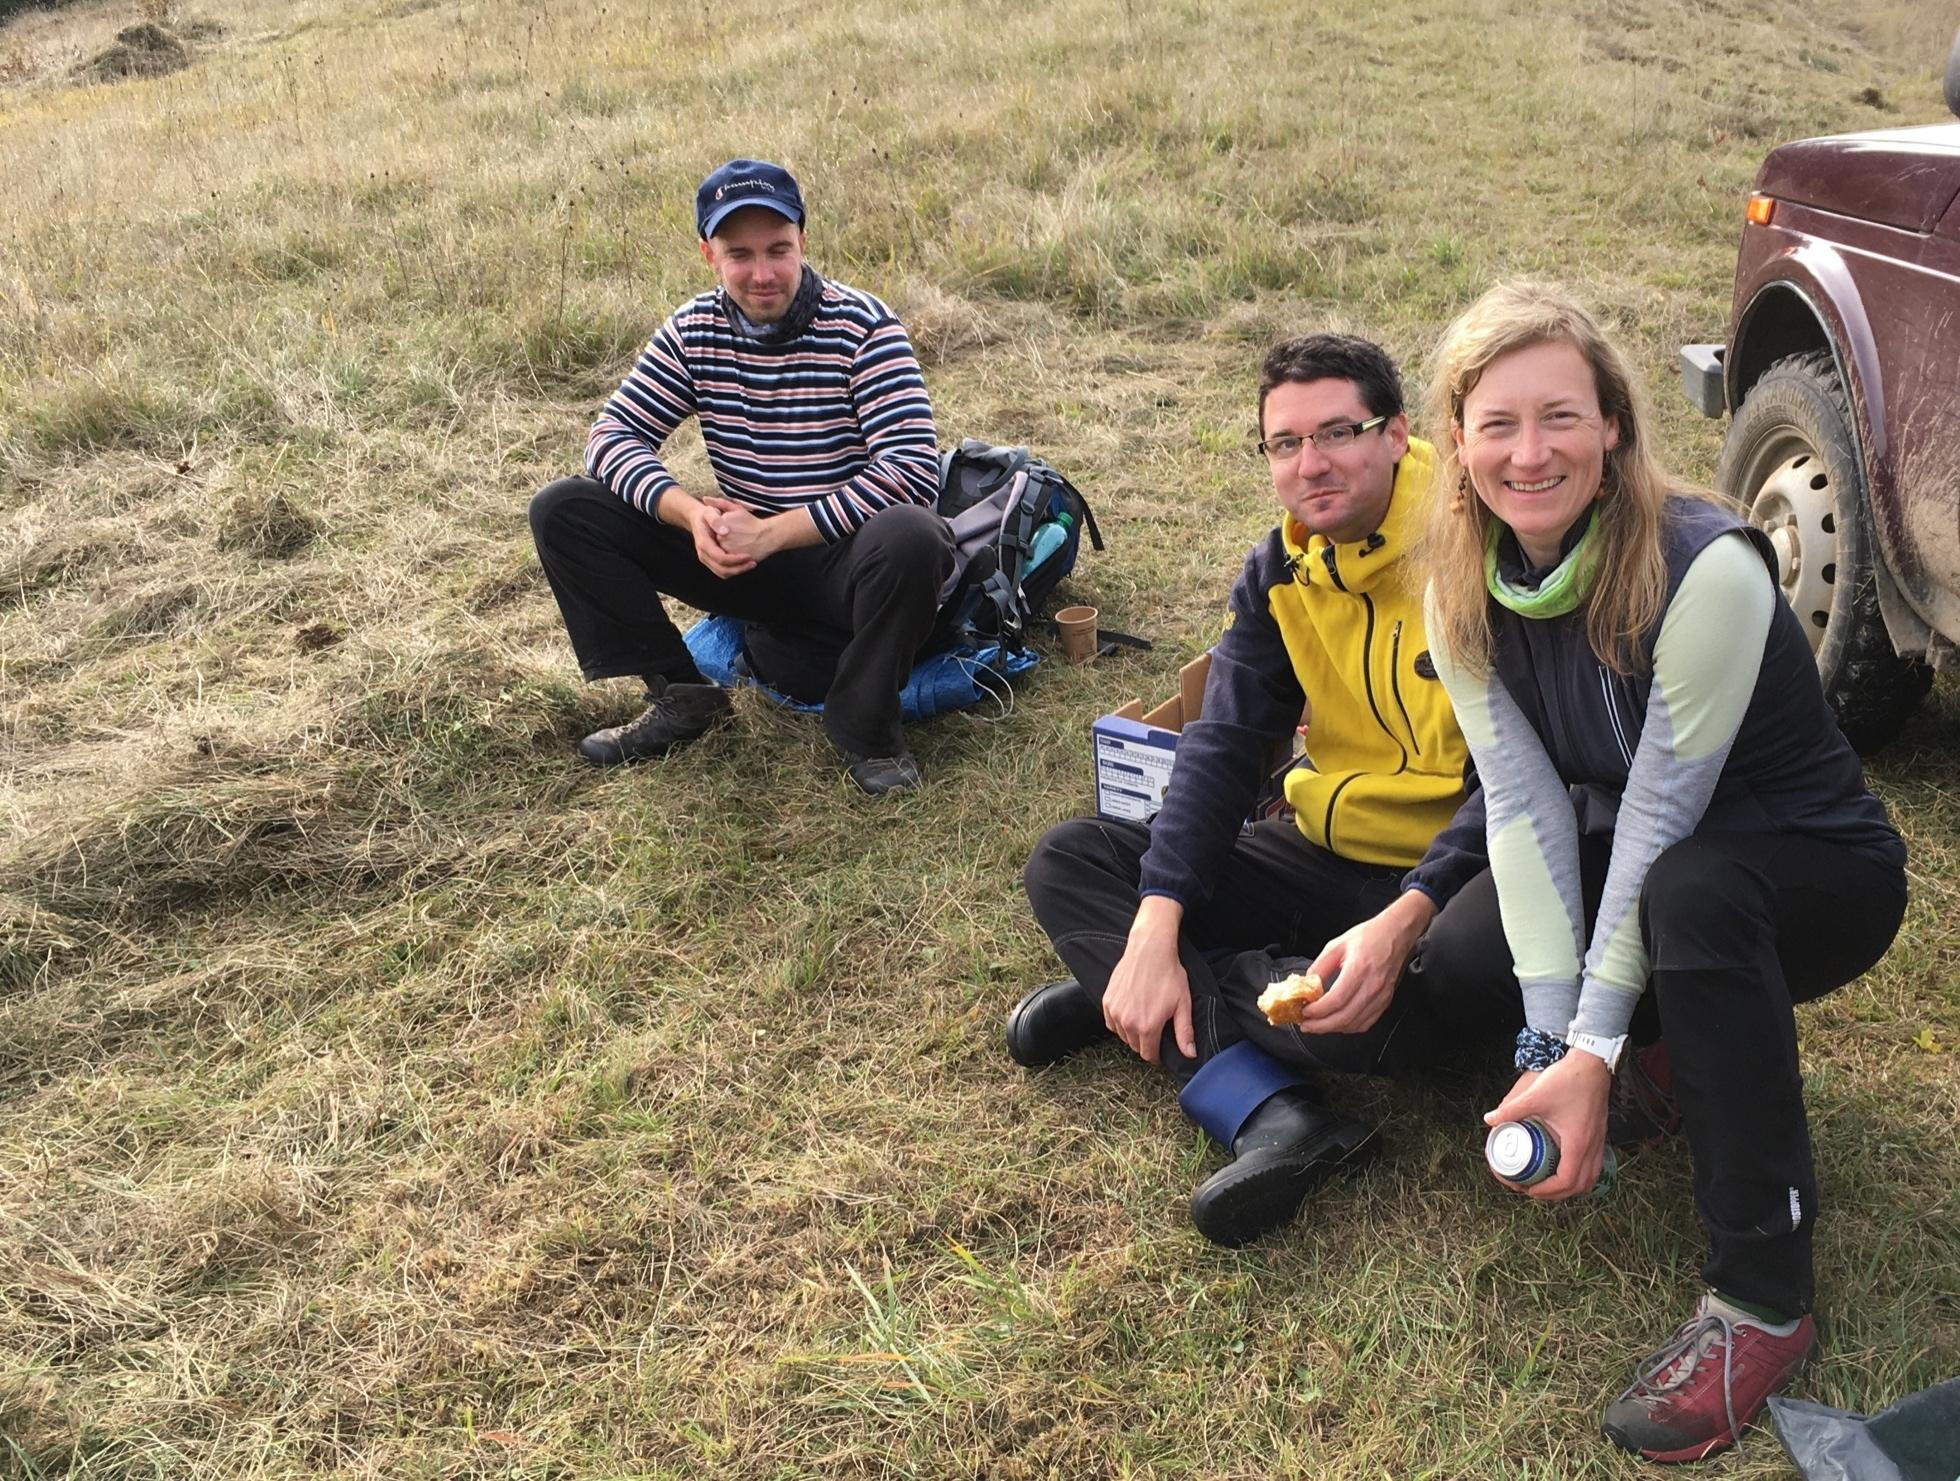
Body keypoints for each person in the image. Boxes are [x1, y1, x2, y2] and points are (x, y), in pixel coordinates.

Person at [1421, 281, 1907, 1463]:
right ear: (1457, 443)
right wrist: (1549, 1042)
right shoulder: (1456, 585)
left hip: (1814, 873)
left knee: (1689, 891)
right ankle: (1668, 1064)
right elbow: (1522, 806)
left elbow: (1658, 815)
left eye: (1560, 416)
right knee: (1471, 947)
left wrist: (1586, 1047)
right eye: (1496, 423)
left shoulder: (1705, 567)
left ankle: (1761, 1295)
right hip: (1671, 862)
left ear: (1612, 426)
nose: (1528, 452)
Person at [1014, 333, 1505, 1247]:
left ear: (1397, 432)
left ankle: (1140, 989)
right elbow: (1223, 745)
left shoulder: (1478, 550)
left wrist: (1407, 916)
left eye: (1337, 433)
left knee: (1377, 1015)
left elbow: (1514, 785)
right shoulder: (1282, 566)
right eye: (1286, 442)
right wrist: (1155, 920)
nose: (1310, 464)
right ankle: (1267, 1104)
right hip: (1322, 849)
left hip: (1445, 886)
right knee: (1071, 858)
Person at [528, 158, 952, 796]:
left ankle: (867, 730)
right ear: (709, 255)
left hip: (845, 561)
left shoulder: (865, 326)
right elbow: (611, 437)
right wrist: (691, 514)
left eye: (778, 249)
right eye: (740, 255)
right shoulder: (693, 329)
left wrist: (774, 533)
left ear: (802, 240)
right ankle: (681, 694)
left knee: (915, 535)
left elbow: (913, 471)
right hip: (742, 561)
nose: (763, 274)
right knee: (564, 508)